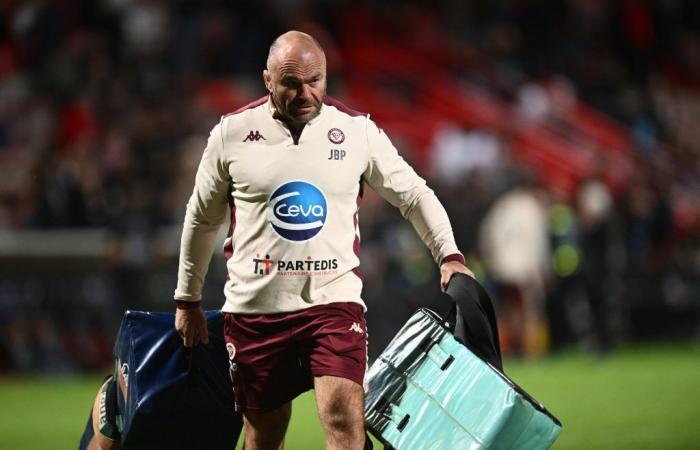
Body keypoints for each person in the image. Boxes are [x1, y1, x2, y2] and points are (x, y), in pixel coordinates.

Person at [174, 30, 473, 450]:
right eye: (291, 83)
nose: (304, 93)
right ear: (267, 81)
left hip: (333, 305)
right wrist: (186, 299)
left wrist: (449, 254)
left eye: (314, 80)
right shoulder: (231, 134)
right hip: (256, 311)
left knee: (344, 420)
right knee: (264, 434)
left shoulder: (356, 131)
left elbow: (414, 194)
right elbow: (201, 220)